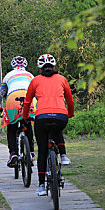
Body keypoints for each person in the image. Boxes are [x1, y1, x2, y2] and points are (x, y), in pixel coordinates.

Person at [22, 53, 74, 197]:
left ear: (39, 68)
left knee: (43, 151)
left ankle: (41, 186)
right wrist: (69, 114)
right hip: (61, 116)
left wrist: (25, 117)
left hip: (42, 117)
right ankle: (63, 155)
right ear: (54, 66)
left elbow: (27, 102)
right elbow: (69, 99)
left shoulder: (35, 80)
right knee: (57, 128)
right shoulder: (62, 79)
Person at [0, 56, 36, 168]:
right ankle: (31, 151)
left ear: (13, 65)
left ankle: (13, 153)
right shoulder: (30, 75)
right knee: (27, 123)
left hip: (13, 99)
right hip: (28, 99)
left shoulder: (8, 75)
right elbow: (36, 92)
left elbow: (1, 92)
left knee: (11, 127)